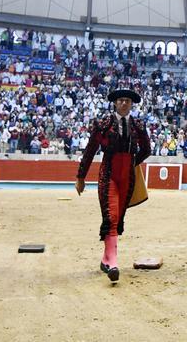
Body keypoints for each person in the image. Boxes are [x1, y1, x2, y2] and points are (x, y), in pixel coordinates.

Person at [75, 88, 151, 282]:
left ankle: (106, 259)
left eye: (127, 101)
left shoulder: (137, 125)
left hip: (127, 176)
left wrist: (133, 163)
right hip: (108, 172)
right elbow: (90, 149)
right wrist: (81, 177)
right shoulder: (103, 124)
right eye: (121, 100)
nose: (124, 103)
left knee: (118, 217)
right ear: (115, 103)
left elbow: (147, 149)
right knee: (112, 214)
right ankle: (114, 262)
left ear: (132, 104)